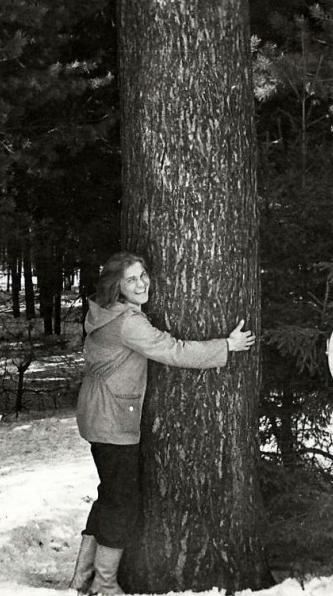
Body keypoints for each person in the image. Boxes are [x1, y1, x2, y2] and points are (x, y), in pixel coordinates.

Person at [69, 252, 255, 595]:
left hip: (99, 412)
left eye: (143, 275)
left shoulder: (106, 312)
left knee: (110, 496)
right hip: (111, 419)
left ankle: (82, 579)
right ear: (117, 287)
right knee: (121, 502)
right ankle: (104, 585)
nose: (142, 284)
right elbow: (174, 350)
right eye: (131, 279)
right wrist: (226, 346)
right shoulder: (127, 323)